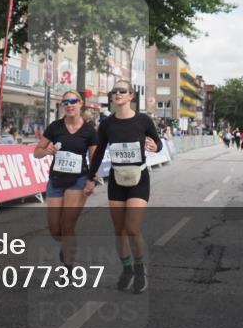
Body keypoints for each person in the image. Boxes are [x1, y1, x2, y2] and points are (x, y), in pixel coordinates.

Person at [85, 81, 161, 294]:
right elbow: (99, 152)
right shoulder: (108, 124)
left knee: (132, 229)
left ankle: (139, 269)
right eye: (114, 91)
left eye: (122, 91)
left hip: (139, 179)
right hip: (117, 180)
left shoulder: (143, 120)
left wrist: (155, 146)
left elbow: (157, 142)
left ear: (131, 96)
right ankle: (127, 269)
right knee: (119, 231)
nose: (117, 94)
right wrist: (91, 177)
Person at [35, 90, 99, 267]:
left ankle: (68, 267)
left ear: (80, 103)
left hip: (78, 180)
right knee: (55, 229)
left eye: (73, 101)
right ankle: (66, 247)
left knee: (68, 224)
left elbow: (94, 158)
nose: (69, 105)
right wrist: (46, 151)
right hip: (56, 180)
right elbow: (36, 152)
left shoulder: (89, 130)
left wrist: (91, 180)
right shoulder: (55, 127)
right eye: (65, 102)